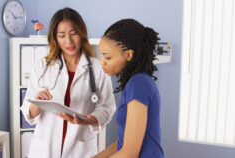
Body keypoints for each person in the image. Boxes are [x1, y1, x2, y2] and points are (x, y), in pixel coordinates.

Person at [20, 7, 116, 158]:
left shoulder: (98, 68)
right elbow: (29, 112)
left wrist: (91, 120)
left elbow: (107, 108)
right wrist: (36, 103)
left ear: (81, 34)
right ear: (55, 38)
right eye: (62, 35)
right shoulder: (42, 66)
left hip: (80, 150)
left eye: (74, 33)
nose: (69, 41)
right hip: (45, 150)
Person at [93, 19, 164, 158]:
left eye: (107, 57)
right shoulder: (135, 83)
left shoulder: (138, 84)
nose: (102, 62)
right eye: (101, 55)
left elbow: (129, 153)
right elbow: (123, 142)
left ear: (129, 55)